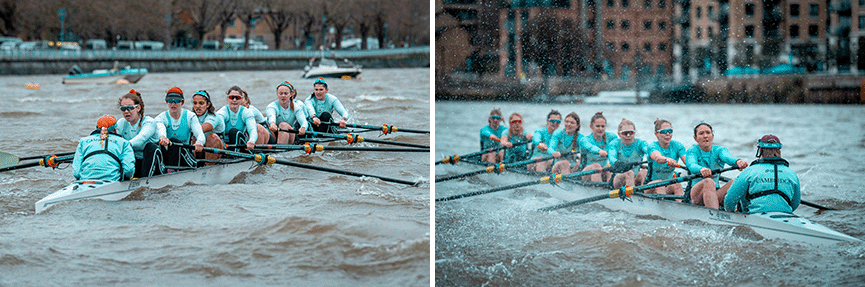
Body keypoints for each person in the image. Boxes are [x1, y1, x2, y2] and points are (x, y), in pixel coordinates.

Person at [724, 135, 800, 214]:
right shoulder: (792, 174)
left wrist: (732, 213)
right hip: (785, 215)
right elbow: (795, 203)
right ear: (779, 151)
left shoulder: (749, 171)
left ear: (760, 150)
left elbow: (729, 200)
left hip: (755, 215)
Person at [685, 122, 748, 209]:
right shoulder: (692, 150)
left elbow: (728, 157)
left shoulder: (719, 150)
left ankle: (737, 211)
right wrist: (701, 169)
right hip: (695, 195)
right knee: (708, 181)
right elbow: (691, 165)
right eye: (701, 133)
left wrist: (738, 161)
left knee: (736, 182)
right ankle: (715, 216)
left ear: (712, 136)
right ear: (696, 139)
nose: (705, 136)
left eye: (708, 132)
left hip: (715, 193)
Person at [115, 89, 164, 178]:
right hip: (135, 161)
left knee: (150, 147)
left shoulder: (149, 122)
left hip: (154, 163)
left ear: (138, 108)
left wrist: (126, 144)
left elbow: (141, 138)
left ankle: (145, 180)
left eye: (130, 108)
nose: (126, 111)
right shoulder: (121, 123)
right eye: (123, 108)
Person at [72, 115, 135, 181]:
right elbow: (129, 170)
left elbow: (76, 173)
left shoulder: (83, 141)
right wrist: (125, 180)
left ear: (97, 128)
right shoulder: (124, 143)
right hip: (112, 181)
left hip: (85, 181)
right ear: (115, 128)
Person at [154, 87, 205, 169]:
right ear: (166, 102)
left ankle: (171, 171)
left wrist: (199, 142)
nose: (173, 104)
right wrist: (162, 137)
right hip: (168, 156)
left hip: (186, 156)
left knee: (174, 141)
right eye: (170, 101)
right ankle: (169, 170)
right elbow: (160, 129)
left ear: (182, 102)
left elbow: (200, 134)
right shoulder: (161, 118)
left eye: (177, 101)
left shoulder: (190, 116)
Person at [645, 119, 687, 198]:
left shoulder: (677, 146)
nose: (667, 134)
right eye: (664, 131)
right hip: (649, 186)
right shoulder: (652, 147)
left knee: (677, 184)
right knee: (660, 184)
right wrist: (667, 159)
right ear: (656, 134)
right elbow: (657, 157)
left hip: (667, 185)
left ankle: (682, 207)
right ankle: (663, 208)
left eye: (670, 131)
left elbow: (688, 161)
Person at [608, 118, 649, 189]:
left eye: (631, 132)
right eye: (625, 133)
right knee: (629, 173)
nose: (628, 135)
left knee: (644, 171)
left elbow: (650, 152)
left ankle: (644, 195)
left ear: (634, 133)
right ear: (619, 134)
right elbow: (611, 158)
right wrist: (617, 163)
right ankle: (632, 196)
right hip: (618, 178)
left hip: (635, 178)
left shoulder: (641, 143)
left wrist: (656, 157)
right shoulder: (614, 144)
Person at [579, 112, 618, 182]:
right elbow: (590, 147)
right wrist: (599, 151)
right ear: (591, 126)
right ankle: (598, 189)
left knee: (609, 166)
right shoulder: (584, 140)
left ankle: (610, 188)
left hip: (603, 170)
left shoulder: (611, 137)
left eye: (603, 126)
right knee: (596, 166)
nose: (600, 129)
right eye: (597, 126)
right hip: (586, 172)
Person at [216, 86, 258, 151]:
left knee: (233, 132)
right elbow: (218, 129)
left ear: (241, 99)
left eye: (237, 98)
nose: (234, 100)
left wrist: (251, 141)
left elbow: (252, 129)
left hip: (240, 144)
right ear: (227, 98)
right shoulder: (222, 112)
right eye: (231, 97)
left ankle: (234, 155)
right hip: (224, 144)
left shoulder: (246, 112)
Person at [190, 90, 226, 161]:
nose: (197, 106)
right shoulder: (191, 116)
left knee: (211, 137)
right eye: (195, 103)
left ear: (208, 104)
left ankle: (209, 165)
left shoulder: (214, 116)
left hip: (218, 150)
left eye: (201, 103)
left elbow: (202, 128)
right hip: (200, 148)